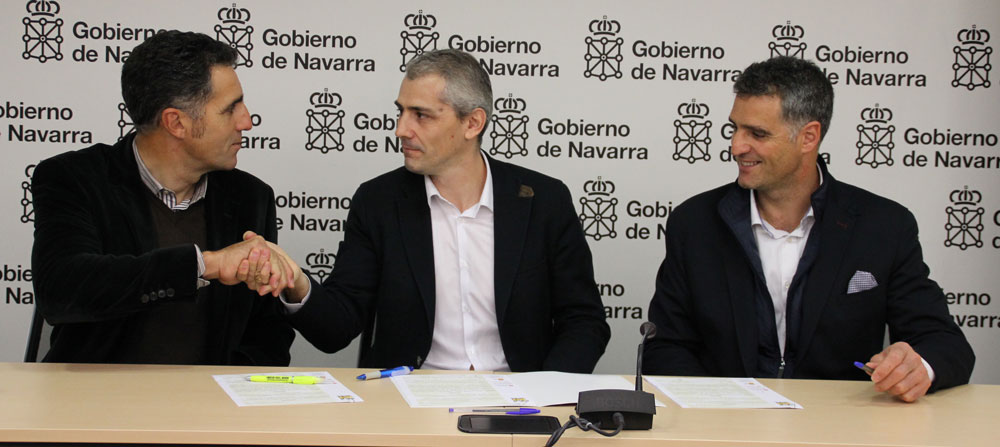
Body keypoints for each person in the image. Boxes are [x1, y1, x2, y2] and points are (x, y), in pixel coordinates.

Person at [255, 49, 610, 372]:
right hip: (408, 400)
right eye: (401, 111)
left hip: (520, 403)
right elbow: (337, 327)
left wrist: (544, 390)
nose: (400, 129)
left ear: (473, 123)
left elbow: (584, 320)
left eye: (421, 115)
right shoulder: (378, 202)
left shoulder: (543, 201)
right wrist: (298, 284)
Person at [643, 56, 974, 401]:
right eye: (734, 129)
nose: (736, 146)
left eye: (757, 133)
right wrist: (719, 406)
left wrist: (917, 367)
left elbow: (945, 343)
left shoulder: (884, 226)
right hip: (724, 421)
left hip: (842, 422)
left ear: (808, 137)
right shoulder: (694, 223)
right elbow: (665, 347)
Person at [31, 30, 296, 365]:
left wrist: (229, 388)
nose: (247, 121)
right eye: (230, 109)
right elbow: (62, 291)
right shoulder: (75, 178)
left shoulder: (250, 197)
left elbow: (267, 331)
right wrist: (207, 265)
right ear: (176, 122)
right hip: (97, 393)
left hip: (209, 396)